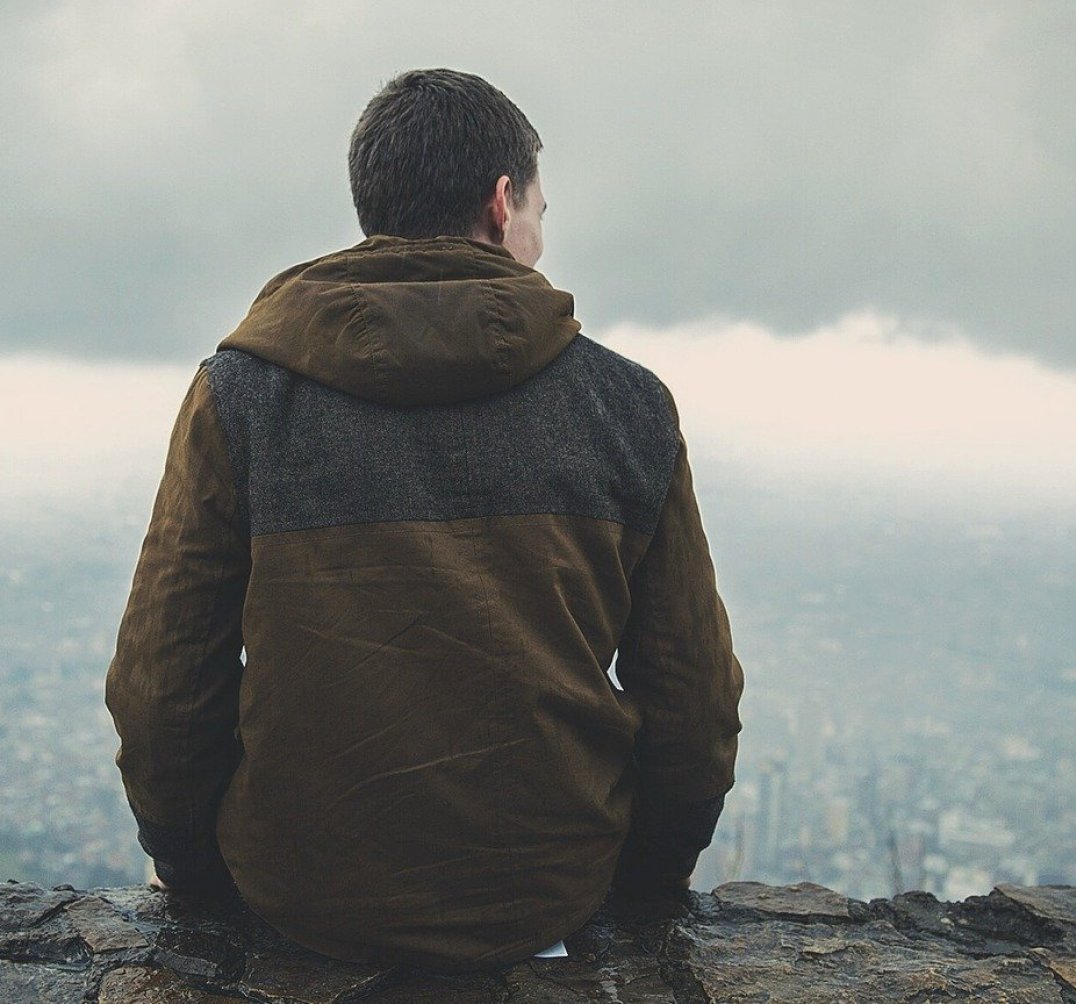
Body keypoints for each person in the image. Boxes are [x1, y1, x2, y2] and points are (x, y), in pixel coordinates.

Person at [105, 68, 743, 971]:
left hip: (296, 897)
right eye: (540, 211)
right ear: (500, 204)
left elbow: (162, 688)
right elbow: (693, 704)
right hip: (546, 899)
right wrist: (638, 884)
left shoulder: (239, 398)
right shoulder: (627, 407)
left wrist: (198, 873)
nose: (539, 234)